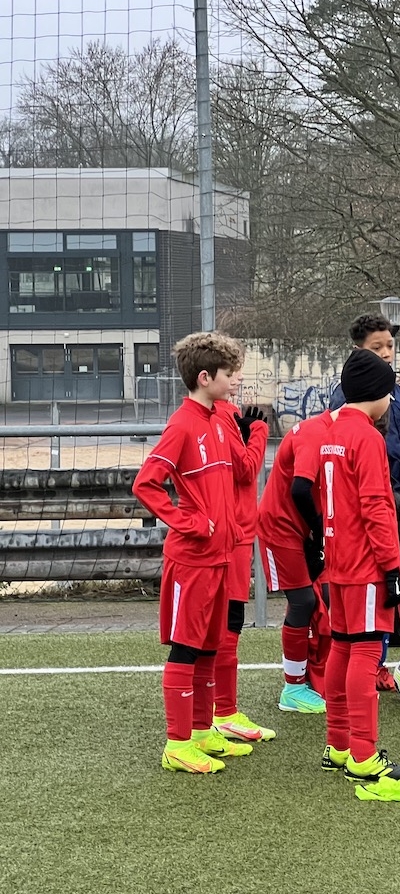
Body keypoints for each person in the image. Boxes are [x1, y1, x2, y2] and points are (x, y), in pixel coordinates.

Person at [132, 331, 249, 774]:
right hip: (192, 560)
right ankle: (177, 744)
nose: (235, 380)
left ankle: (201, 732)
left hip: (220, 556)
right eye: (228, 373)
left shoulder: (218, 418)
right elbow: (145, 484)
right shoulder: (182, 425)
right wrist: (190, 523)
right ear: (205, 377)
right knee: (185, 648)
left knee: (209, 648)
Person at [318, 349, 400, 781]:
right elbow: (377, 507)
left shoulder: (330, 431)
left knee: (342, 646)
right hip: (364, 565)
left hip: (338, 561)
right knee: (363, 649)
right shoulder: (367, 437)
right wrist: (392, 567)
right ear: (376, 393)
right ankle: (362, 753)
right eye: (389, 392)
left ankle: (339, 745)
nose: (392, 400)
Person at [329, 314, 400, 689]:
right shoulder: (350, 403)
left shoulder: (397, 395)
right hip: (372, 513)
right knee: (376, 600)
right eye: (377, 347)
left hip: (398, 496)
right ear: (358, 350)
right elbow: (362, 467)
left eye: (389, 345)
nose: (386, 352)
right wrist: (391, 495)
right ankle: (379, 660)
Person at [256, 410, 336, 713]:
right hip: (282, 528)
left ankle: (317, 677)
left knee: (323, 597)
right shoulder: (316, 433)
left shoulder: (340, 432)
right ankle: (293, 688)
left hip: (306, 528)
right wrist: (318, 531)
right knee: (303, 601)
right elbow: (300, 488)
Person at [210, 371, 273, 741]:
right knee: (228, 622)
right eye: (230, 372)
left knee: (227, 621)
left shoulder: (225, 414)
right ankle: (223, 711)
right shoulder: (220, 416)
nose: (238, 378)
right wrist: (259, 432)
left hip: (234, 530)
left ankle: (220, 711)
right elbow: (247, 470)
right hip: (231, 533)